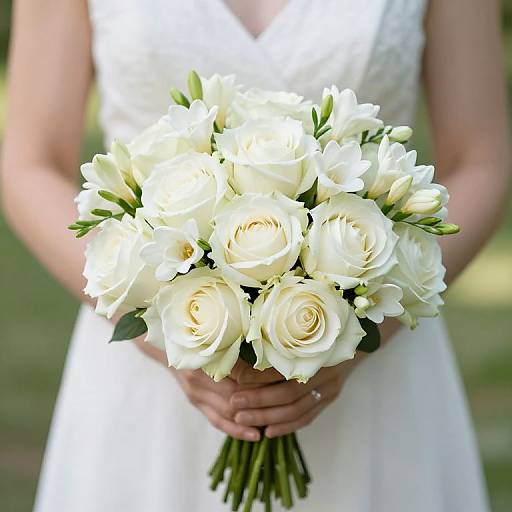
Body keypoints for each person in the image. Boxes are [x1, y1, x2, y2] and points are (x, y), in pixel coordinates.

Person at [1, 1, 510, 510]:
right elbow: (30, 162)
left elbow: (481, 161)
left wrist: (351, 339)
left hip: (377, 359)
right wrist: (163, 333)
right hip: (146, 382)